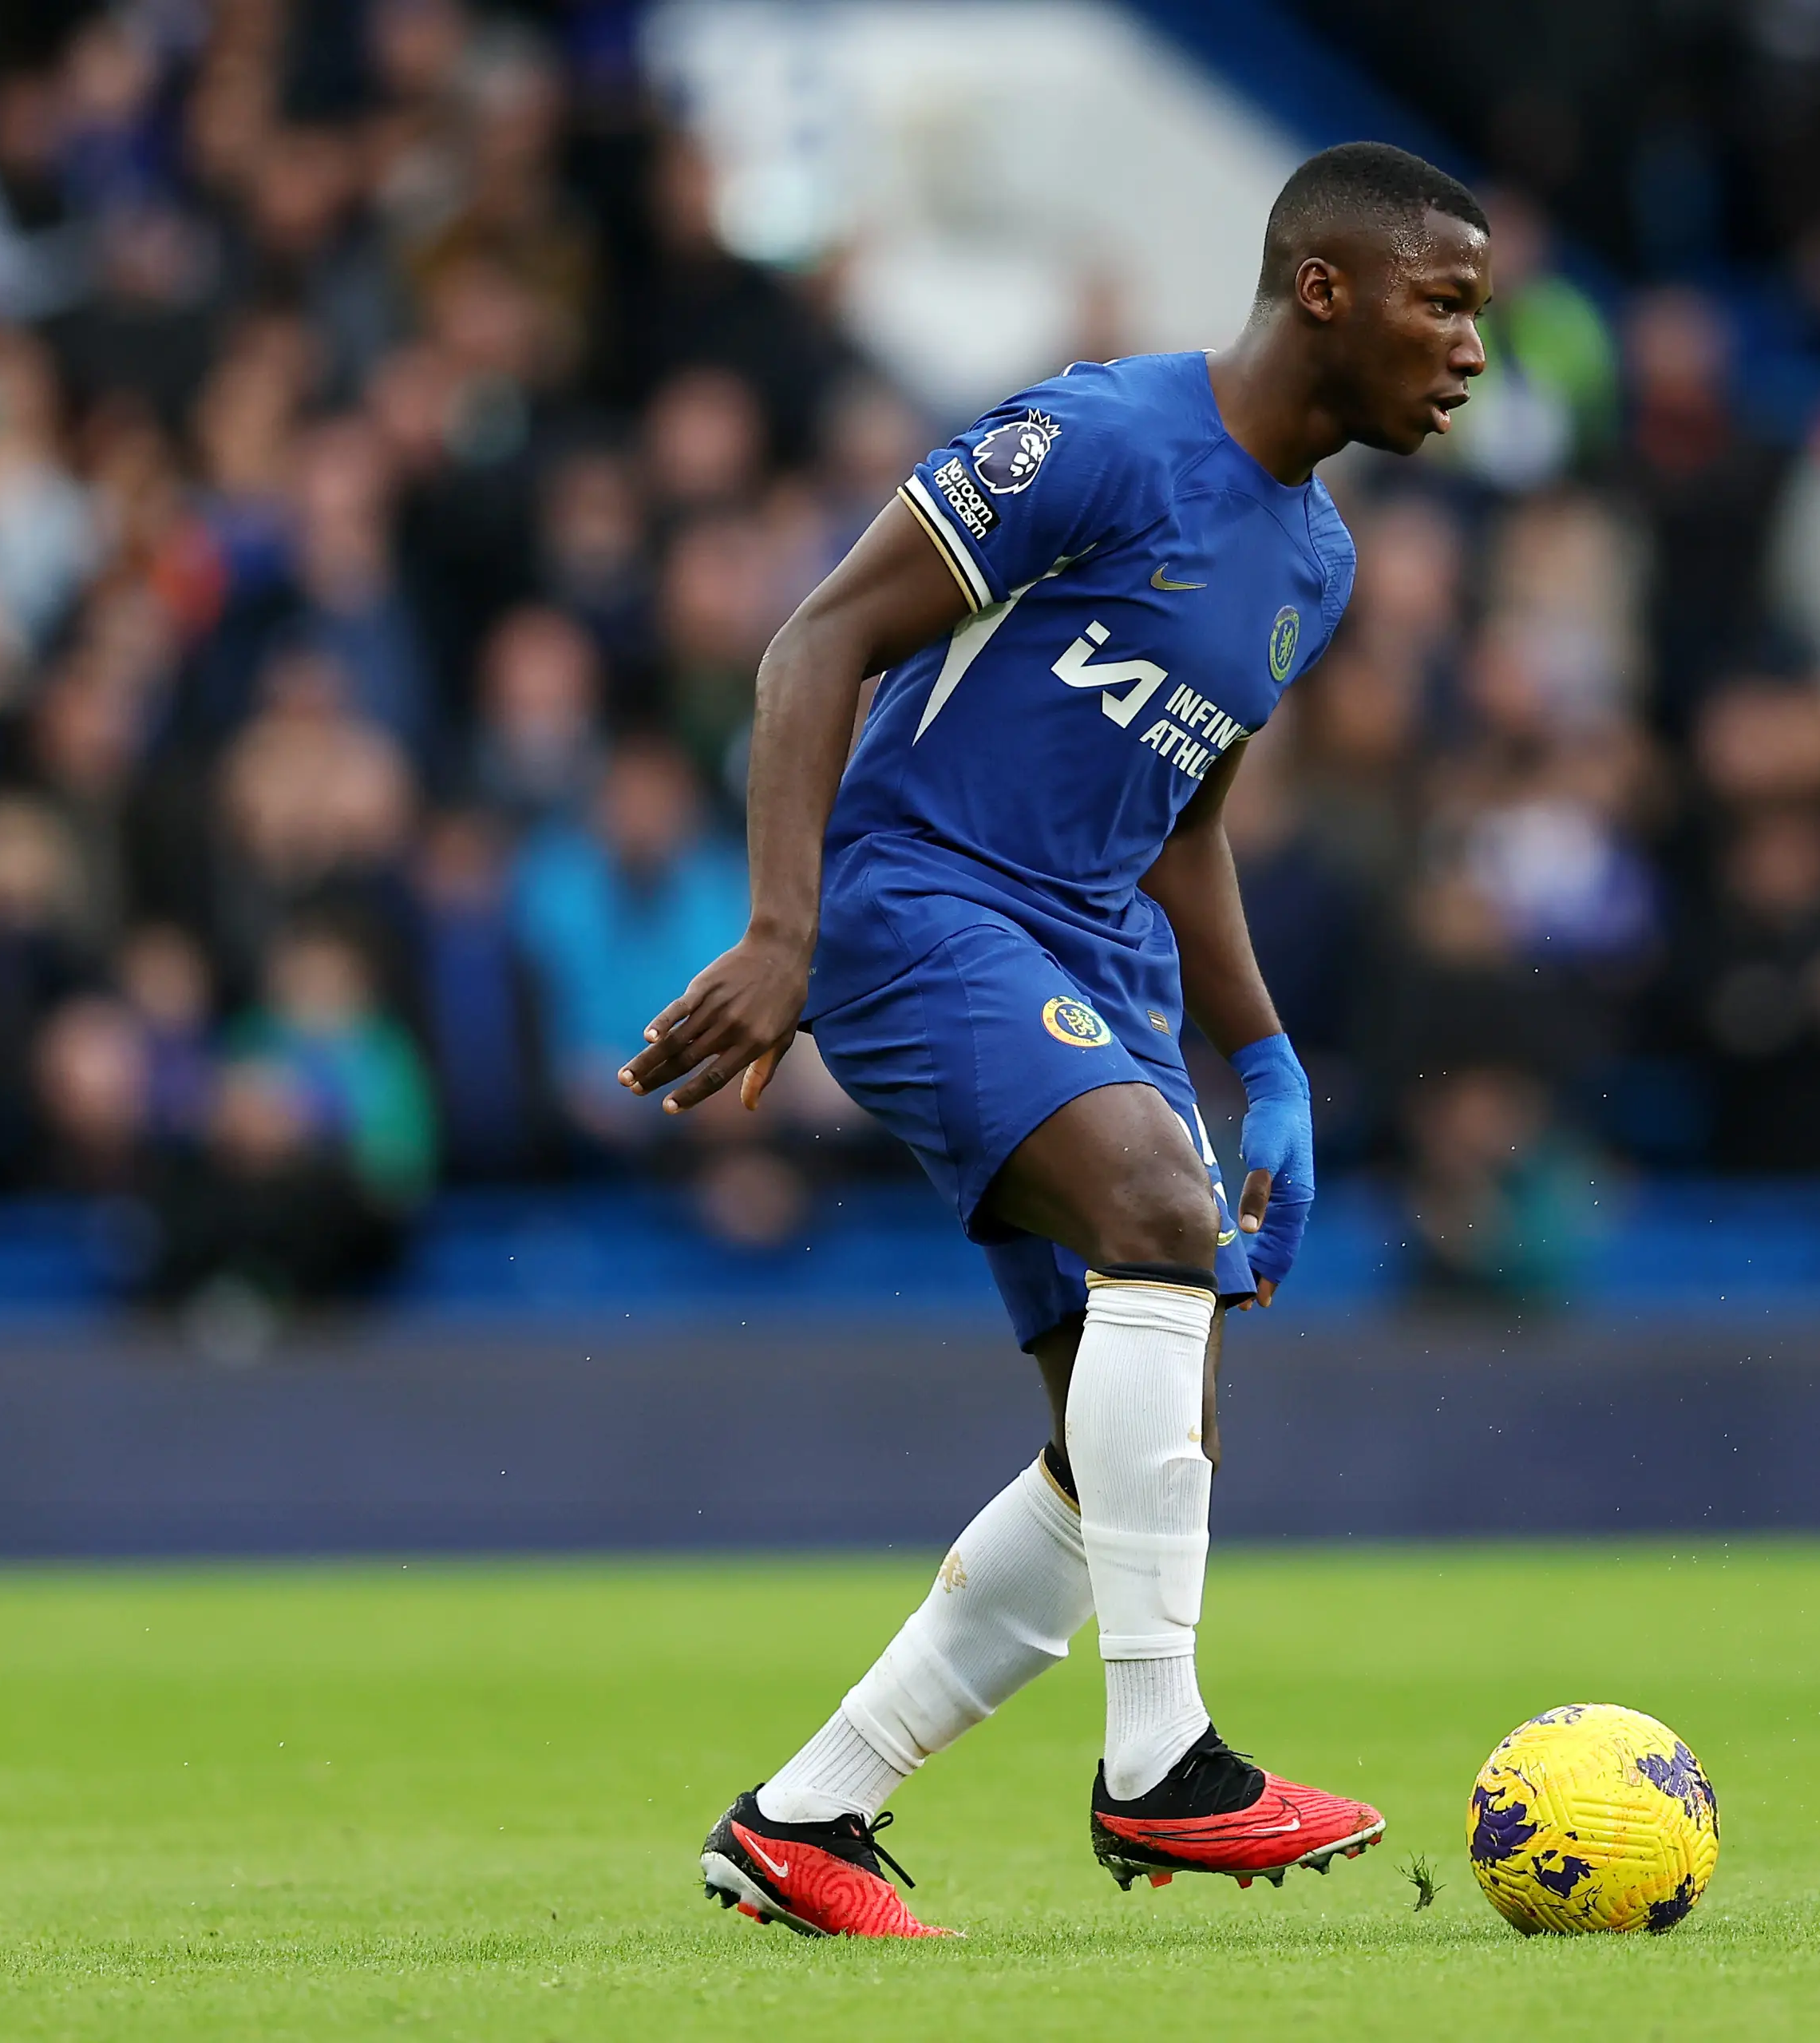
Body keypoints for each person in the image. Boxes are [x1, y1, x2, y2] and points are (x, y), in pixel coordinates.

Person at [614, 143, 1489, 1938]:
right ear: (1324, 288)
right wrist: (782, 925)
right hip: (923, 902)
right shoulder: (1101, 437)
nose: (1473, 348)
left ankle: (806, 1816)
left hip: (1100, 949)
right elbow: (818, 640)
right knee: (1163, 1231)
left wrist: (1271, 1059)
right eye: (1446, 302)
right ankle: (1161, 1765)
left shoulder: (1312, 557)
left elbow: (1185, 821)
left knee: (1139, 1448)